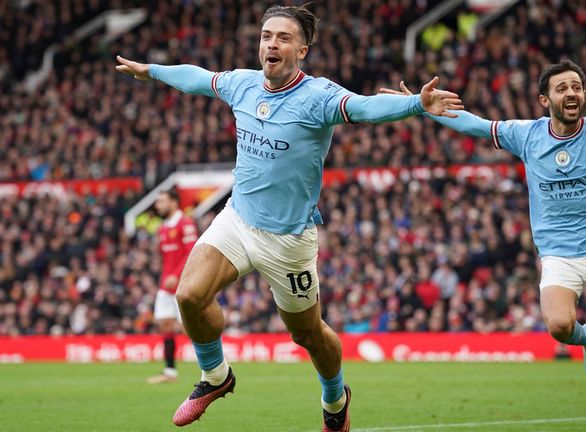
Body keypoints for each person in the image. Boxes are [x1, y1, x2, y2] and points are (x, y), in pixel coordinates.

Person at [115, 4, 462, 431]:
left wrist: (416, 105)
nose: (271, 44)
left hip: (288, 240)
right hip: (237, 220)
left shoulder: (318, 97)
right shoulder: (243, 85)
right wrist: (151, 70)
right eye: (266, 36)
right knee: (188, 296)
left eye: (282, 37)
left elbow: (366, 108)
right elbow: (197, 78)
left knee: (308, 334)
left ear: (302, 50)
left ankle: (335, 397)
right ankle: (215, 377)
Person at [382, 52, 586, 432]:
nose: (571, 93)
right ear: (545, 100)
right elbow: (477, 125)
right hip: (558, 254)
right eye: (562, 88)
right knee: (558, 325)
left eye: (576, 87)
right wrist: (423, 108)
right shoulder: (527, 135)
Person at [146, 189, 198, 384]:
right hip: (165, 285)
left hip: (182, 282)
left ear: (174, 202)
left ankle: (215, 366)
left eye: (162, 201)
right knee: (164, 325)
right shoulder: (162, 228)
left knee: (188, 328)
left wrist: (176, 275)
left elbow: (192, 251)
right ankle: (169, 371)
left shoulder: (185, 224)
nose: (158, 205)